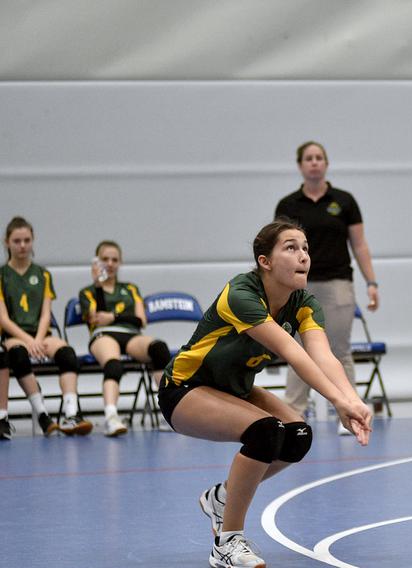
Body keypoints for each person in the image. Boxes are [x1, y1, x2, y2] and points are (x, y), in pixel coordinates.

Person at [157, 220, 373, 568]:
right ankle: (227, 543)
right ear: (265, 261)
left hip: (235, 388)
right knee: (266, 431)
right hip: (183, 389)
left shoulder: (303, 303)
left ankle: (221, 497)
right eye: (291, 247)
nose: (303, 255)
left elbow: (323, 356)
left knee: (298, 436)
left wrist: (353, 401)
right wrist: (338, 402)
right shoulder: (242, 294)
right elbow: (295, 354)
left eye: (305, 248)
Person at [275, 140, 380, 435]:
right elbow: (279, 249)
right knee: (297, 349)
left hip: (337, 283)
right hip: (299, 286)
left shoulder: (344, 201)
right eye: (308, 158)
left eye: (319, 158)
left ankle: (349, 410)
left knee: (338, 349)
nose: (314, 162)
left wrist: (371, 282)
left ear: (326, 164)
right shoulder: (288, 205)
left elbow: (359, 244)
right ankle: (293, 413)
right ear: (300, 166)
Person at [0, 216, 92, 436]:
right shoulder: (2, 275)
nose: (22, 246)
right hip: (14, 333)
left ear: (33, 241)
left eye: (27, 240)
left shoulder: (43, 274)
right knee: (18, 355)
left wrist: (39, 340)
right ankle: (43, 415)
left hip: (41, 334)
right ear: (7, 243)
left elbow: (45, 314)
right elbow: (3, 319)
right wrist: (30, 341)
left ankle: (71, 414)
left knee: (67, 354)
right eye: (17, 241)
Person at [77, 240, 171, 437]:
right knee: (114, 365)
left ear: (120, 263)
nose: (110, 264)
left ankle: (168, 413)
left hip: (129, 333)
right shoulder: (88, 292)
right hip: (103, 334)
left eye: (114, 260)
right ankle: (111, 418)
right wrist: (98, 285)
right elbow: (96, 319)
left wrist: (114, 317)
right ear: (97, 262)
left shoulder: (130, 288)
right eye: (105, 259)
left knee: (159, 349)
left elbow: (140, 320)